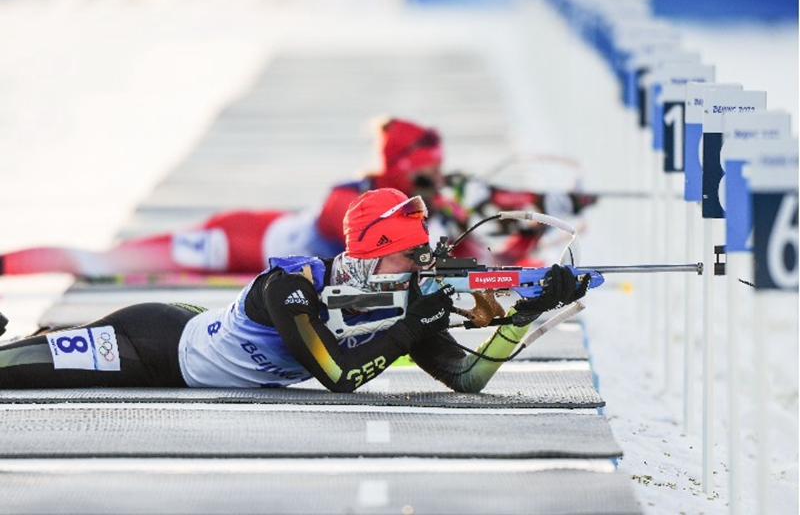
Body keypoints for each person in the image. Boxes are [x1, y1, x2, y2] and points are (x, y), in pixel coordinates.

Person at [0, 189, 588, 392]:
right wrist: (418, 325)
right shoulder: (293, 286)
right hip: (153, 344)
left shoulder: (398, 303)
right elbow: (338, 374)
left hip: (189, 328)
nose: (418, 270)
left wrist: (529, 313)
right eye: (410, 257)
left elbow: (467, 378)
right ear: (373, 253)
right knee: (11, 369)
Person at [0, 117, 597, 279]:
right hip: (236, 242)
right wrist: (458, 215)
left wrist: (543, 212)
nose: (436, 183)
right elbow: (362, 239)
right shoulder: (355, 194)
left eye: (439, 173)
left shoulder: (428, 203)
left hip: (259, 242)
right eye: (427, 175)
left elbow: (491, 235)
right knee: (102, 263)